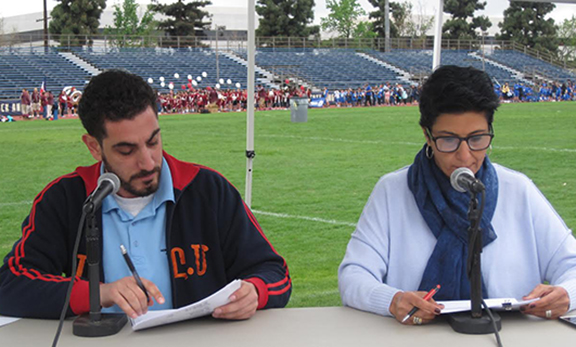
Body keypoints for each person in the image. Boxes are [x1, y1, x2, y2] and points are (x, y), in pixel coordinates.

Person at [0, 70, 291, 320]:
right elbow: (10, 285)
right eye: (126, 151)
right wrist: (98, 294)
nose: (149, 162)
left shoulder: (207, 190)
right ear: (94, 147)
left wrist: (256, 291)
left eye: (153, 142)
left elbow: (274, 272)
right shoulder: (66, 199)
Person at [338, 65, 576, 326]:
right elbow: (354, 274)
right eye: (448, 140)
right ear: (427, 136)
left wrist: (566, 294)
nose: (465, 156)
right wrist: (392, 300)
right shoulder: (393, 191)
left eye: (477, 139)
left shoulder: (518, 189)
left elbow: (571, 265)